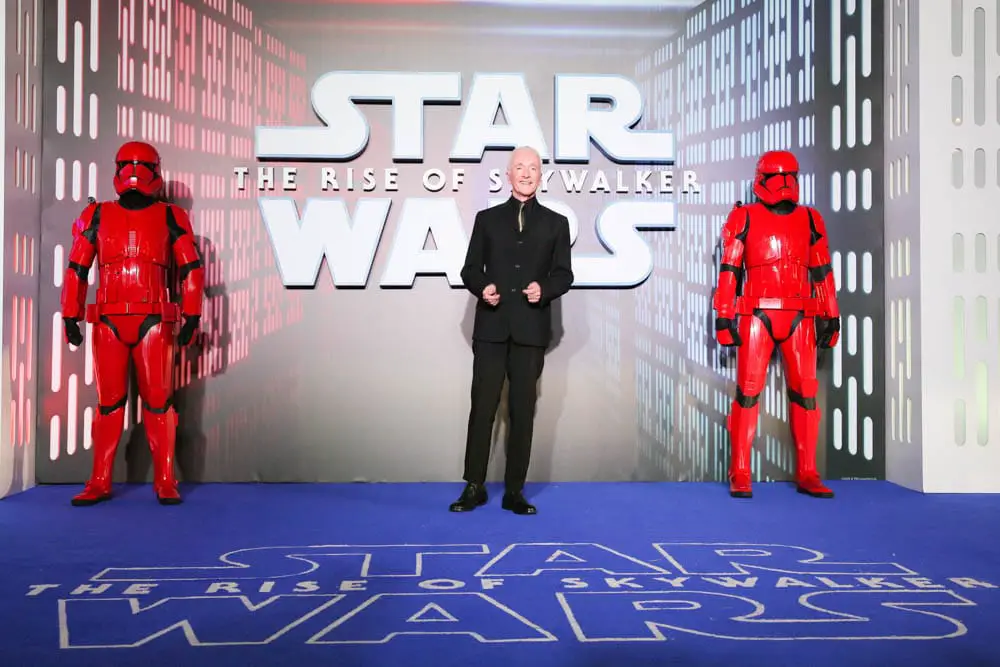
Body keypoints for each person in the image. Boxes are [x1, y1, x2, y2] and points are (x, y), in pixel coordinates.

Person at [61, 140, 204, 506]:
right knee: (110, 404)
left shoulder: (172, 216)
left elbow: (190, 267)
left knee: (158, 402)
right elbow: (78, 267)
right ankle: (99, 480)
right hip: (110, 321)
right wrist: (70, 313)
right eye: (128, 165)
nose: (134, 174)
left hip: (153, 321)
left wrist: (192, 313)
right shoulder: (96, 214)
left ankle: (165, 479)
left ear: (155, 172)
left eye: (141, 166)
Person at [451, 146, 574, 515]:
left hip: (530, 331)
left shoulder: (556, 223)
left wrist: (544, 289)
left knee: (523, 411)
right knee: (482, 408)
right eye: (519, 167)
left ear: (541, 176)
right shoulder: (487, 219)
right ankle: (474, 486)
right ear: (508, 175)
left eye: (532, 168)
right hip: (491, 328)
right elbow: (470, 269)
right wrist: (483, 287)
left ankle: (515, 491)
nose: (526, 173)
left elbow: (564, 275)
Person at [712, 149, 841, 499]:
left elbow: (822, 270)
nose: (783, 184)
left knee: (806, 394)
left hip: (800, 315)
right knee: (748, 392)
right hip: (756, 314)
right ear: (761, 180)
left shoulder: (811, 219)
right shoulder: (744, 217)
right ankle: (740, 469)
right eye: (776, 177)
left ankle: (808, 471)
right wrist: (723, 314)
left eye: (789, 177)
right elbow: (729, 270)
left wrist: (831, 314)